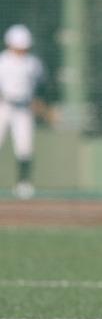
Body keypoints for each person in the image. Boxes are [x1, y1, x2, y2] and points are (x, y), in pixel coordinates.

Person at [0, 24, 44, 199]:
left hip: (24, 107)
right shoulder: (2, 61)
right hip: (4, 106)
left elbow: (41, 85)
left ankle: (23, 184)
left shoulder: (33, 63)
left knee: (24, 147)